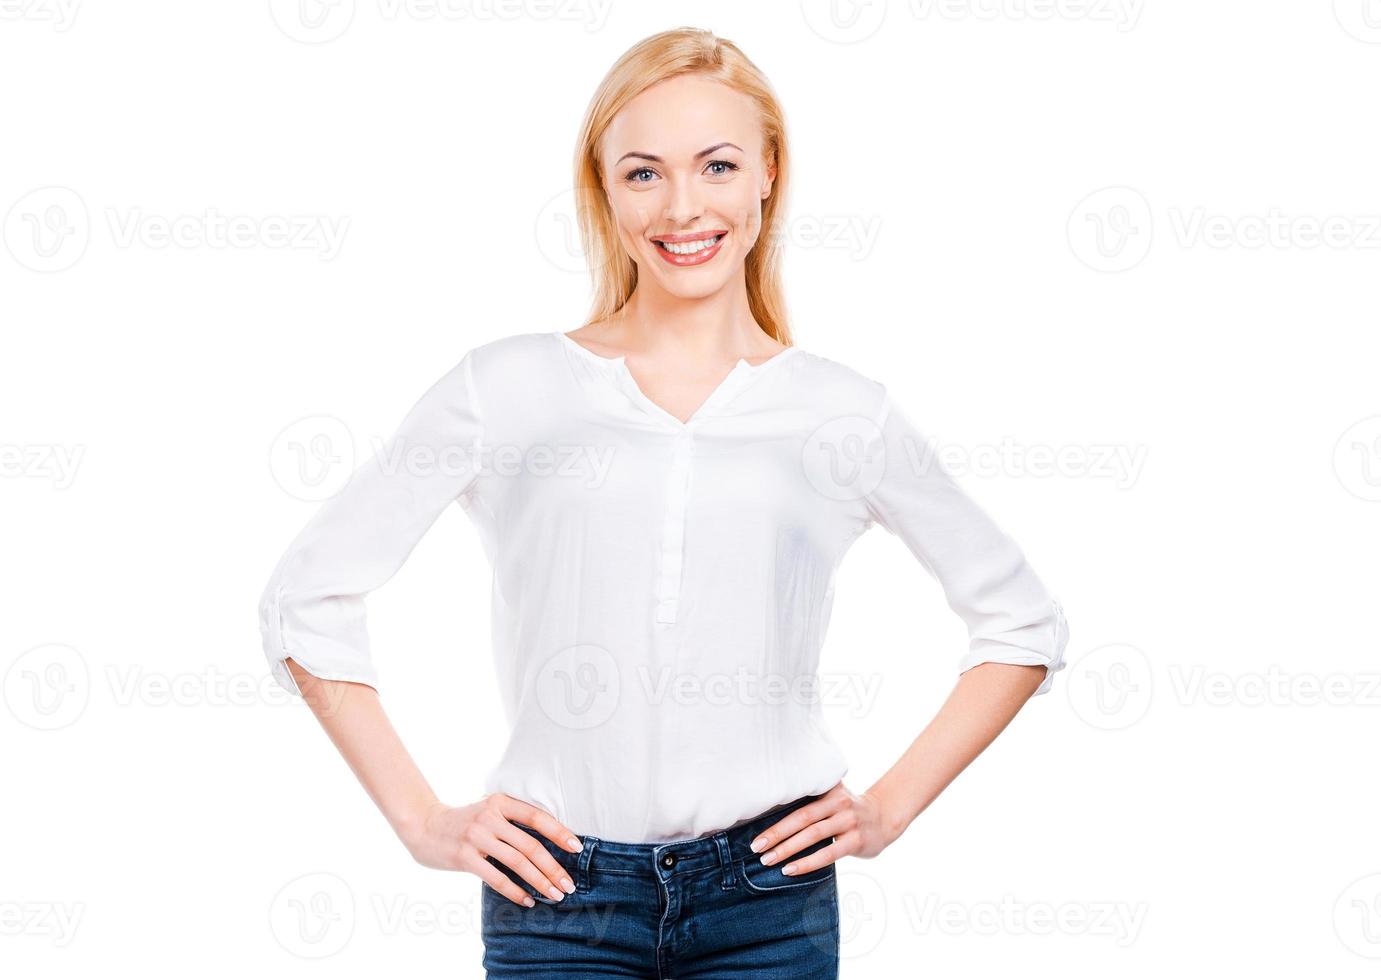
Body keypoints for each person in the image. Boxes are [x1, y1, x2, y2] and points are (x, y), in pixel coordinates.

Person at [256, 27, 1069, 978]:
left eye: (717, 165)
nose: (683, 207)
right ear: (602, 189)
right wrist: (422, 821)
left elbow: (1020, 623)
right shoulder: (505, 388)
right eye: (643, 173)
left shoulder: (840, 411)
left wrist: (886, 809)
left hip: (769, 904)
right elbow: (305, 599)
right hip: (556, 896)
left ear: (768, 172)